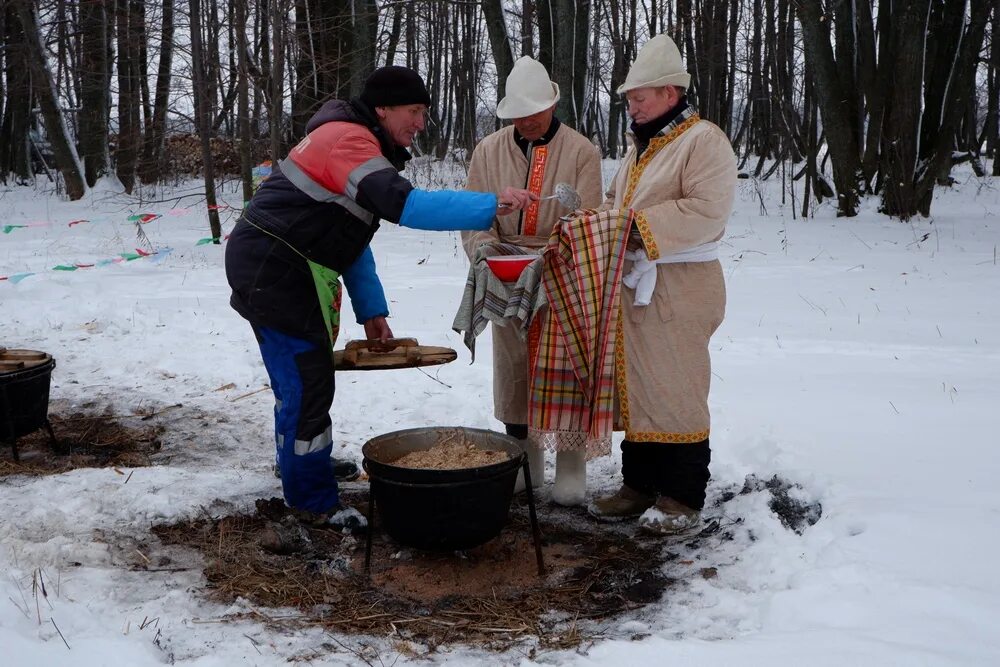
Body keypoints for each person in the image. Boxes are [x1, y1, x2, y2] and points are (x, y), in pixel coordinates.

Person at [225, 65, 535, 523]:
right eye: (414, 112)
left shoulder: (355, 141)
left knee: (304, 376)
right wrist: (491, 204)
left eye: (424, 113)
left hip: (286, 262)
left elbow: (347, 238)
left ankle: (302, 461)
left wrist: (371, 309)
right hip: (275, 268)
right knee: (305, 380)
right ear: (383, 109)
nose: (420, 124)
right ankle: (311, 500)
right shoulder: (347, 141)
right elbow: (405, 206)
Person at [585, 34, 737, 534]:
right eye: (629, 97)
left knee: (677, 388)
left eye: (640, 96)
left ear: (671, 93)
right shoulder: (640, 149)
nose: (632, 104)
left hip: (681, 285)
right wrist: (599, 223)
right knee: (640, 386)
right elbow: (616, 200)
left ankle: (683, 497)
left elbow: (706, 211)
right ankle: (639, 486)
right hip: (638, 286)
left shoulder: (704, 141)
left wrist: (633, 229)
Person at [461, 56, 603, 506]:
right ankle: (525, 463)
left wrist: (556, 254)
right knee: (515, 369)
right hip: (506, 269)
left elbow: (590, 217)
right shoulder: (489, 149)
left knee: (563, 369)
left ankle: (571, 468)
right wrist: (484, 250)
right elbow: (474, 211)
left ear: (553, 105)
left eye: (536, 112)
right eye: (519, 115)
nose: (528, 121)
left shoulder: (582, 151)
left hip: (562, 269)